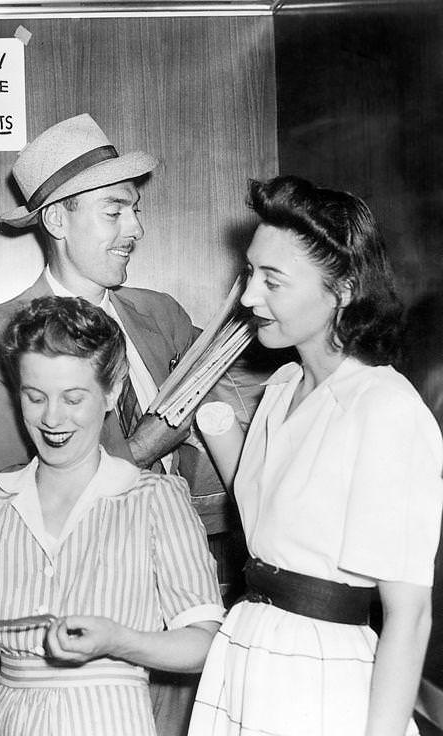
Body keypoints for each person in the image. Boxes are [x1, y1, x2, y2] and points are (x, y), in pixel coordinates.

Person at [0, 113, 258, 735]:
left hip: (195, 605)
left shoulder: (162, 315)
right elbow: (6, 492)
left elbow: (241, 399)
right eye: (115, 211)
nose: (135, 230)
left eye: (136, 211)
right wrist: (142, 448)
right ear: (58, 220)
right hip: (78, 644)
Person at [188, 176, 443, 736]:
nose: (249, 296)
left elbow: (410, 613)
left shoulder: (384, 409)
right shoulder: (281, 388)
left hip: (322, 671)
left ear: (345, 288)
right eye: (249, 273)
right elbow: (278, 518)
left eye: (272, 281)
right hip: (248, 650)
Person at [0, 295, 223, 736]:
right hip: (6, 722)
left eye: (73, 398)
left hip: (111, 719)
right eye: (34, 397)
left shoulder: (154, 498)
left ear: (111, 391)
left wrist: (119, 640)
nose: (52, 418)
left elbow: (206, 645)